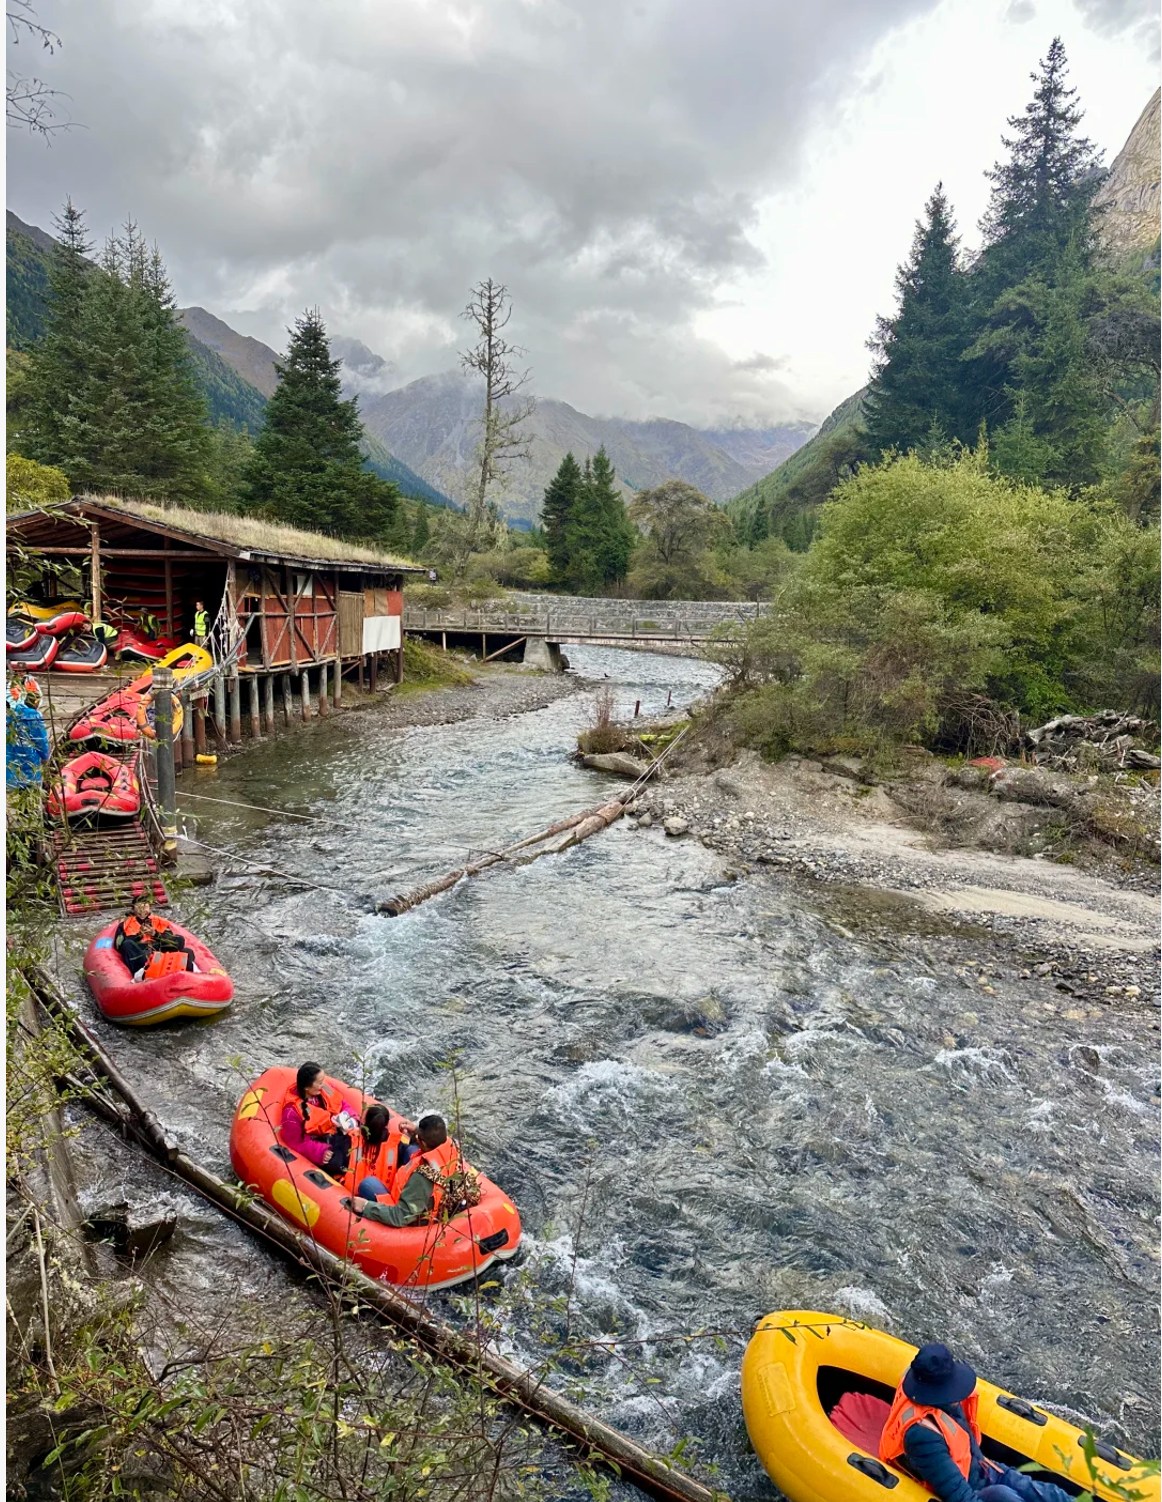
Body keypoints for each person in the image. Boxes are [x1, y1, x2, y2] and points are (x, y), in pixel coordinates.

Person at [880, 1343, 1076, 1502]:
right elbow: (959, 1494)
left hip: (983, 1467)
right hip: (971, 1487)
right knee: (1004, 1495)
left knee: (1047, 1493)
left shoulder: (928, 1388)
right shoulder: (922, 1435)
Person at [349, 1113, 480, 1228]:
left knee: (368, 1184)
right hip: (439, 1194)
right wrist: (416, 1131)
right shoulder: (450, 1145)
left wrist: (366, 1207)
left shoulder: (422, 1177)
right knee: (410, 1150)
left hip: (414, 1210)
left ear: (422, 1142)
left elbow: (400, 1216)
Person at [280, 1062, 358, 1177]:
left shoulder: (324, 1089)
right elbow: (295, 1143)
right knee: (339, 1162)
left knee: (358, 1143)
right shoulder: (292, 1113)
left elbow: (342, 1104)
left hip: (338, 1132)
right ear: (307, 1087)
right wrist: (321, 1152)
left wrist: (351, 1118)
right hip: (321, 1143)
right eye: (320, 1082)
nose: (323, 1085)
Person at [113, 895, 197, 981]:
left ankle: (182, 972)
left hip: (160, 952)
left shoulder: (160, 921)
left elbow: (170, 940)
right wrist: (139, 935)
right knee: (127, 944)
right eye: (138, 907)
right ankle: (145, 972)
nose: (142, 910)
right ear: (133, 909)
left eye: (145, 907)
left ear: (150, 908)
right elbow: (118, 945)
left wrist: (155, 934)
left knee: (182, 942)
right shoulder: (125, 924)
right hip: (141, 955)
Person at [342, 1104, 418, 1198]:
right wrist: (415, 1133)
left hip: (355, 1198)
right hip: (384, 1197)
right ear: (386, 1125)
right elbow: (419, 1156)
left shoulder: (350, 1141)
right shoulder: (397, 1147)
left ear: (364, 1122)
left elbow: (333, 1163)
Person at [6, 688, 50, 790]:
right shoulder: (33, 715)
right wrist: (45, 756)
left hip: (10, 759)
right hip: (28, 758)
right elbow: (40, 739)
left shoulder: (11, 713)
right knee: (28, 787)